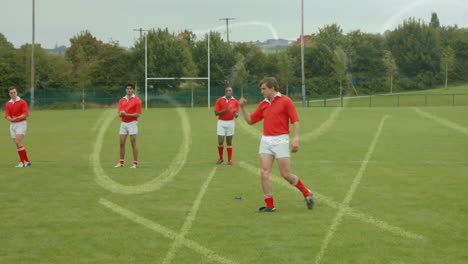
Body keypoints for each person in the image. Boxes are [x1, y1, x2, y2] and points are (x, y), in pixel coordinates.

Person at [239, 77, 314, 212]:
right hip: (266, 140)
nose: (262, 91)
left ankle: (306, 192)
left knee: (285, 174)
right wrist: (243, 108)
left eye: (264, 89)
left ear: (272, 88)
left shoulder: (286, 101)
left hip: (281, 139)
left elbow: (295, 121)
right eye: (261, 89)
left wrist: (296, 138)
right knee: (264, 173)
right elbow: (250, 120)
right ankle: (270, 205)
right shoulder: (263, 104)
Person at [114, 83, 142, 169]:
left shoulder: (137, 100)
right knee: (121, 143)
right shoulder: (122, 100)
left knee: (133, 142)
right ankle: (121, 162)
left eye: (130, 88)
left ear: (133, 90)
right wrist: (122, 114)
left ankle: (135, 163)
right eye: (127, 88)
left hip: (132, 123)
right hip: (123, 123)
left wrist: (126, 114)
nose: (129, 90)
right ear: (125, 90)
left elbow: (138, 114)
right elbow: (120, 114)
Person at [5, 86, 31, 168]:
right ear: (9, 94)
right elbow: (7, 115)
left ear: (17, 92)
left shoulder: (22, 102)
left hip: (21, 123)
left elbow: (26, 114)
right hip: (12, 125)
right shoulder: (8, 103)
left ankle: (21, 162)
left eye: (14, 92)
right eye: (11, 93)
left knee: (17, 141)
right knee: (17, 143)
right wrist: (10, 119)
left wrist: (17, 118)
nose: (13, 94)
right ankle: (27, 161)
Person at [214, 87, 239, 165]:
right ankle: (221, 158)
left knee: (229, 141)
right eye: (227, 91)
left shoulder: (235, 101)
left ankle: (229, 160)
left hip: (230, 122)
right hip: (221, 122)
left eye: (230, 91)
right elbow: (216, 113)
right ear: (225, 92)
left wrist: (234, 113)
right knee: (220, 141)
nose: (228, 92)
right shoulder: (220, 100)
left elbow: (237, 115)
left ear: (232, 92)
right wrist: (225, 110)